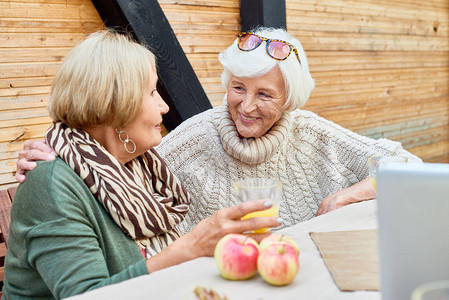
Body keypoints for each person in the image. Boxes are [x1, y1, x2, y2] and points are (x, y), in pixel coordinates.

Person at [15, 27, 421, 235]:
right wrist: (60, 156)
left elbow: (406, 163)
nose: (246, 106)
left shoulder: (311, 132)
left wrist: (347, 195)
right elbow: (116, 167)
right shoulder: (196, 136)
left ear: (290, 100)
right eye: (238, 88)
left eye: (265, 94)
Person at [3, 30, 281, 299]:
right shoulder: (52, 184)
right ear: (114, 107)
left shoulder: (141, 168)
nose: (164, 107)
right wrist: (190, 247)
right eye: (151, 93)